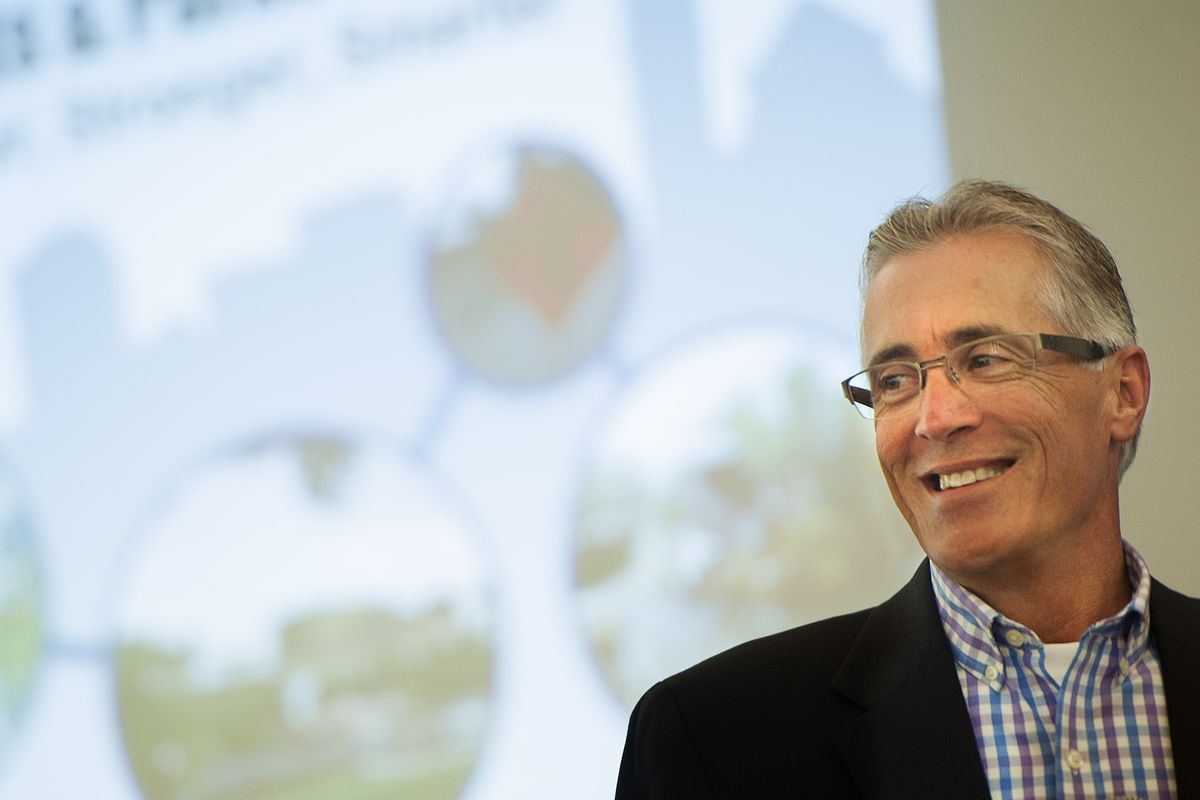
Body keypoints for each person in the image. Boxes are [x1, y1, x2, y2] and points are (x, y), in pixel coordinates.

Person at [615, 180, 1200, 799]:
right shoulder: (712, 738)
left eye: (984, 359)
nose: (935, 417)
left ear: (1123, 394)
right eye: (895, 380)